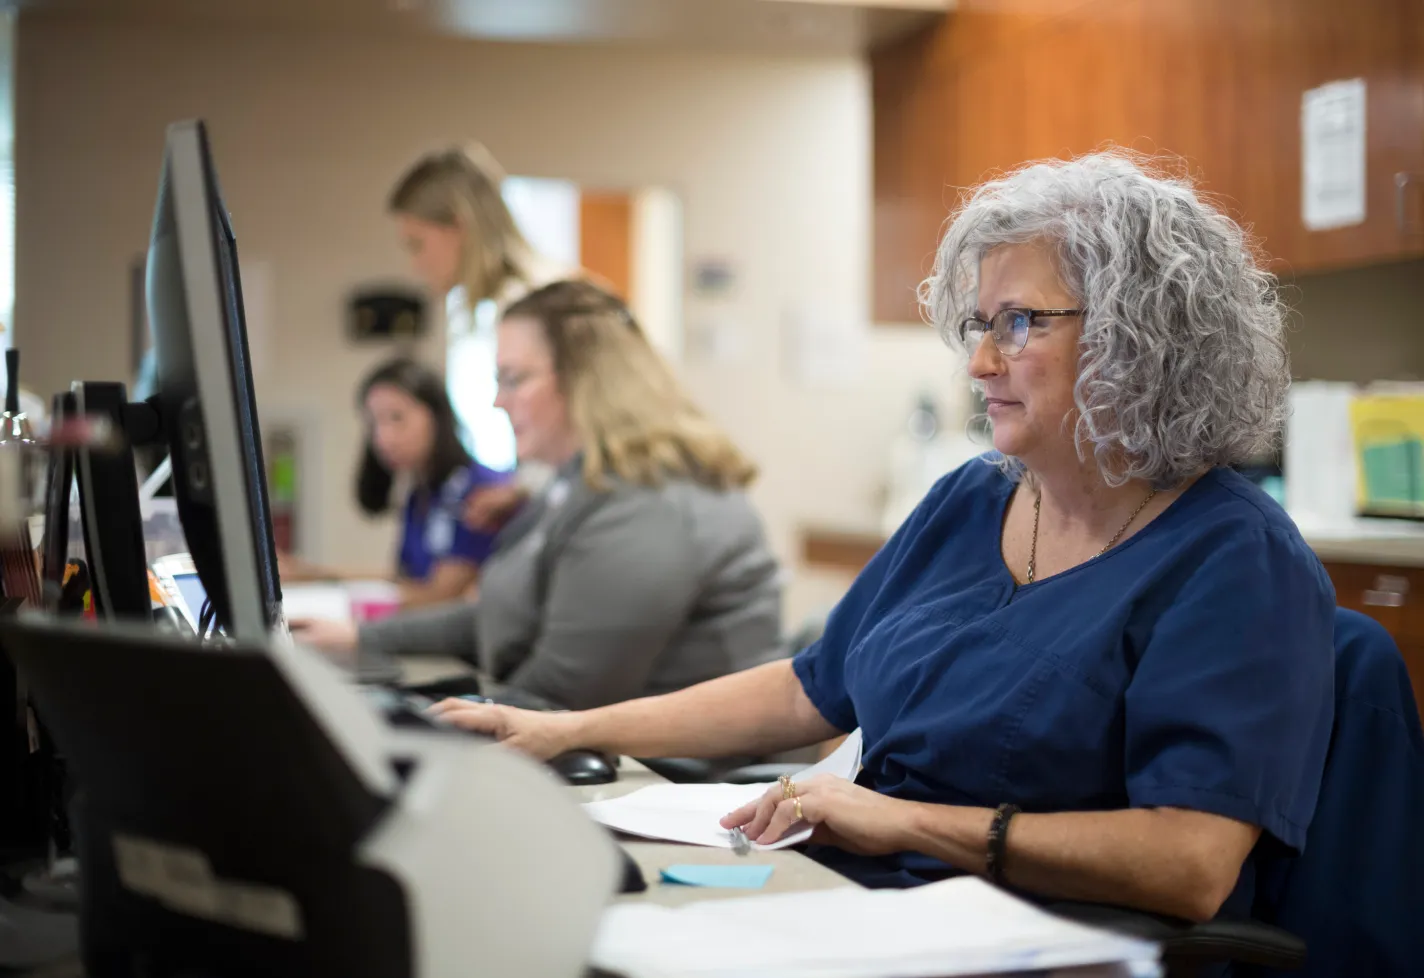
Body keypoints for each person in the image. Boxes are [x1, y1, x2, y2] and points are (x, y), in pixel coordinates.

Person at [432, 152, 1337, 928]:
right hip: (862, 903)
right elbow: (807, 689)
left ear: (1141, 338)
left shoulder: (1232, 557)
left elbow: (1190, 862)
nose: (980, 362)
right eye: (980, 326)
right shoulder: (972, 501)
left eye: (1018, 323)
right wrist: (566, 731)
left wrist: (907, 823)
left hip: (1027, 941)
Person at [295, 280, 784, 712]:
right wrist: (362, 638)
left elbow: (562, 694)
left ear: (584, 380)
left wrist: (416, 717)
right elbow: (500, 616)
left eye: (513, 379)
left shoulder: (648, 499)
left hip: (676, 786)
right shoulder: (577, 484)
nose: (497, 401)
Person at [387, 142, 572, 526]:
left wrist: (526, 489)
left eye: (418, 244)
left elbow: (578, 436)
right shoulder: (503, 305)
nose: (415, 265)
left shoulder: (538, 306)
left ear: (459, 226)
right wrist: (521, 489)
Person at [282, 358, 508, 608]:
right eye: (374, 423)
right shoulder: (418, 496)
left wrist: (335, 595)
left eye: (396, 418)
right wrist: (313, 576)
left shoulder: (481, 490)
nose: (382, 437)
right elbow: (402, 582)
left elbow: (439, 596)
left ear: (435, 415)